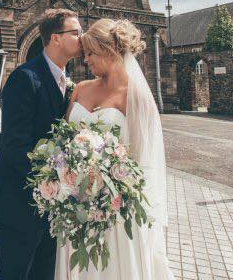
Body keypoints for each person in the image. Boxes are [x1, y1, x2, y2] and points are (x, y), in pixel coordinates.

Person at [56, 18, 174, 280]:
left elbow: (143, 165)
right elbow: (63, 143)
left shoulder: (137, 98)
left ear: (108, 50)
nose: (85, 60)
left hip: (113, 211)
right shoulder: (81, 90)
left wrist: (107, 187)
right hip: (74, 203)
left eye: (90, 53)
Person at [0, 8, 83, 280]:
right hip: (19, 206)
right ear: (55, 38)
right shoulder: (24, 78)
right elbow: (15, 146)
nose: (81, 37)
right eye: (75, 32)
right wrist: (53, 183)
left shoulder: (67, 81)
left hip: (52, 208)